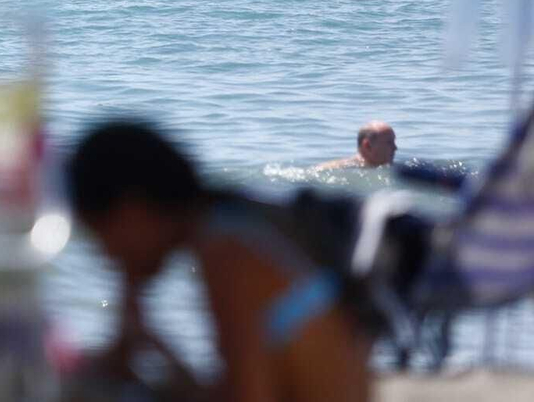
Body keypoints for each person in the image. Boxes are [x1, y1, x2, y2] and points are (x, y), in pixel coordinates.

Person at [67, 121, 372, 402]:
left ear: (132, 213)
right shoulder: (233, 223)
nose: (108, 256)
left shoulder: (228, 257)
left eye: (101, 237)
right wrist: (140, 324)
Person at [314, 122, 397, 171]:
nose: (395, 148)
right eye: (389, 143)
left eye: (394, 142)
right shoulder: (338, 168)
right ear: (367, 146)